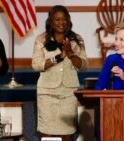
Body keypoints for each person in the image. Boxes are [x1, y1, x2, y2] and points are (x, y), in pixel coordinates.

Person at [32, 5, 88, 141]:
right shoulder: (41, 40)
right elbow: (36, 65)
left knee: (67, 135)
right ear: (51, 21)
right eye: (57, 19)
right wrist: (58, 58)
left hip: (68, 94)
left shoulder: (76, 40)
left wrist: (71, 54)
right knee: (47, 134)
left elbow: (84, 66)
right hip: (47, 94)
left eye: (64, 19)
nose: (61, 23)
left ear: (68, 20)